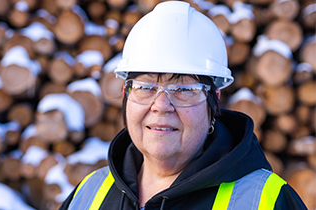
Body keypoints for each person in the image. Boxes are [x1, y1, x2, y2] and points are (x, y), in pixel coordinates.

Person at [59, 1, 307, 209]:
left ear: (214, 101)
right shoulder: (88, 195)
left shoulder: (265, 200)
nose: (161, 105)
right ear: (125, 94)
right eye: (145, 87)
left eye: (184, 90)